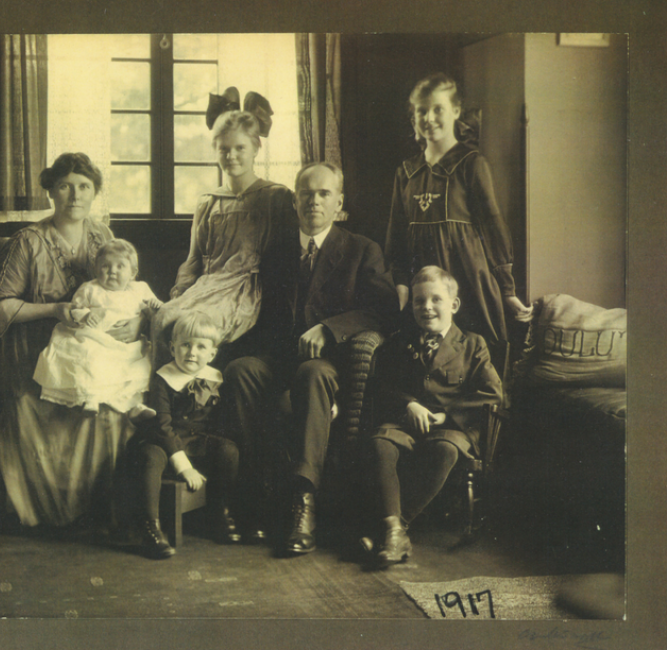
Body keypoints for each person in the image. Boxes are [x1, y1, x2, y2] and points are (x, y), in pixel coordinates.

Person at [222, 162, 400, 555]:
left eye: (323, 194)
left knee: (313, 374)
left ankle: (304, 500)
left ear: (339, 203)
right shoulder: (277, 251)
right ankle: (258, 495)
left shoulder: (360, 249)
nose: (314, 202)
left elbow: (385, 311)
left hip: (329, 362)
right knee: (239, 372)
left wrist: (331, 328)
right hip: (277, 356)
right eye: (306, 193)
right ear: (294, 201)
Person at [0, 152, 142, 529]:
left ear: (95, 192)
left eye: (84, 187)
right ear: (51, 192)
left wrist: (133, 324)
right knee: (34, 405)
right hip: (36, 356)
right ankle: (56, 515)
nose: (75, 195)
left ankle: (101, 511)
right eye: (65, 186)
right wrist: (54, 311)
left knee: (112, 402)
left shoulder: (103, 236)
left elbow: (128, 292)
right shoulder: (28, 242)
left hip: (95, 351)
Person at [361, 266, 502, 568]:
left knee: (445, 450)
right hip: (404, 423)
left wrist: (445, 416)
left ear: (454, 304)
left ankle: (391, 531)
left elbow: (493, 395)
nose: (426, 308)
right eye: (418, 301)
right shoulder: (399, 342)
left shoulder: (473, 345)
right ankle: (394, 532)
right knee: (380, 444)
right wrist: (409, 404)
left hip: (451, 429)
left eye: (436, 299)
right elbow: (381, 386)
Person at [151, 88, 296, 370]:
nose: (232, 156)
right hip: (206, 287)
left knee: (194, 332)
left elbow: (286, 262)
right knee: (162, 318)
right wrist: (180, 295)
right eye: (224, 149)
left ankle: (196, 400)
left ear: (256, 148)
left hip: (244, 291)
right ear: (215, 151)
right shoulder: (209, 202)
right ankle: (162, 398)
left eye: (240, 148)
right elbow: (194, 260)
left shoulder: (275, 197)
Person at [385, 72, 531, 350]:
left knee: (475, 354)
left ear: (455, 111)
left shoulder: (471, 164)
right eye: (422, 111)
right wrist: (402, 284)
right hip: (423, 287)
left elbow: (493, 227)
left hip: (469, 280)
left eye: (438, 109)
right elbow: (397, 237)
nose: (429, 118)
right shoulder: (406, 172)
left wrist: (508, 290)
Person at [131, 312, 241, 559]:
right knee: (151, 456)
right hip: (164, 439)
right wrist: (184, 468)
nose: (192, 352)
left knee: (228, 450)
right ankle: (151, 527)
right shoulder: (163, 378)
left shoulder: (215, 378)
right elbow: (163, 426)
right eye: (185, 345)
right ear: (172, 348)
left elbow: (221, 421)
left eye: (201, 347)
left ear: (212, 353)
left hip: (197, 441)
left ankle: (221, 511)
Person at [33, 238, 162, 419]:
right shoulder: (90, 289)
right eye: (105, 266)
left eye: (120, 266)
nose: (112, 271)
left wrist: (155, 305)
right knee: (91, 358)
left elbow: (152, 311)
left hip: (124, 342)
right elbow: (74, 309)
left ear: (133, 273)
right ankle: (90, 398)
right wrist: (86, 314)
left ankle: (135, 404)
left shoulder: (139, 290)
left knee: (135, 366)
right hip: (95, 337)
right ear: (96, 269)